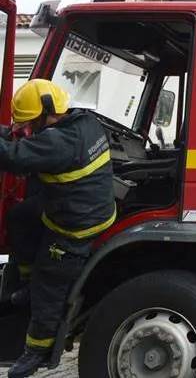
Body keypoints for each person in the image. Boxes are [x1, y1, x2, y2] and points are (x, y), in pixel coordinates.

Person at [2, 79, 115, 378]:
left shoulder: (57, 142)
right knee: (20, 217)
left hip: (73, 226)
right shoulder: (84, 122)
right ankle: (26, 282)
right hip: (85, 208)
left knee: (48, 283)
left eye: (30, 124)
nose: (27, 130)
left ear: (47, 113)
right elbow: (22, 141)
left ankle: (35, 352)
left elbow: (14, 157)